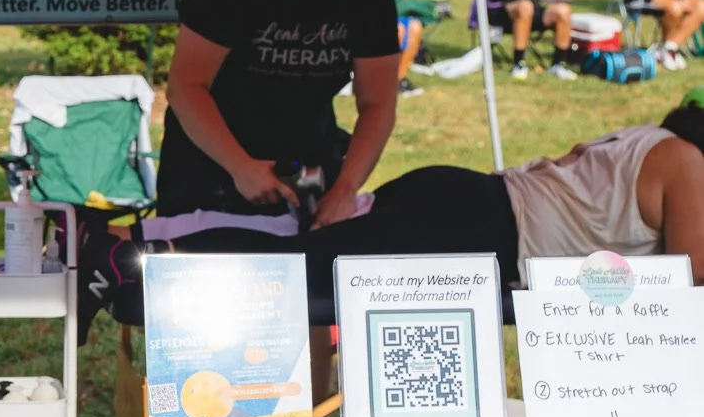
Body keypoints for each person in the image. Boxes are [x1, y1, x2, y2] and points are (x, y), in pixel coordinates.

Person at [157, 0, 401, 227]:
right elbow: (186, 86)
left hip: (304, 159)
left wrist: (346, 188)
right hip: (209, 161)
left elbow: (379, 101)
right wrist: (240, 166)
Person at [258, 106, 704, 299]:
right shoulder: (686, 160)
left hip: (463, 196)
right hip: (477, 230)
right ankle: (191, 258)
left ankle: (196, 254)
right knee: (282, 273)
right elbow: (689, 278)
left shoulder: (647, 138)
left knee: (297, 263)